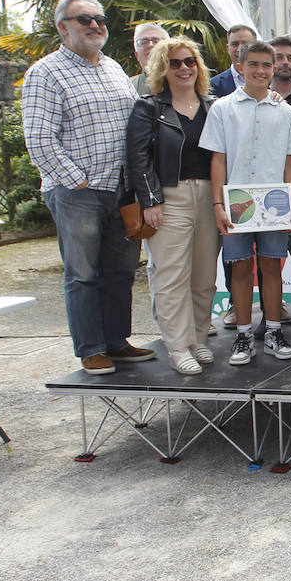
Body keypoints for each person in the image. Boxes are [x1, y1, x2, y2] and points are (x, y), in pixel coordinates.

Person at [22, 0, 153, 375]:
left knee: (121, 271)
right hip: (79, 192)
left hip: (122, 191)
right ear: (63, 27)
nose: (95, 25)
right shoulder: (45, 73)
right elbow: (39, 139)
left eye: (100, 19)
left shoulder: (113, 68)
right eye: (84, 19)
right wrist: (76, 181)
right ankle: (91, 348)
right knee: (82, 273)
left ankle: (116, 341)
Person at [202, 40, 291, 365]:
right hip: (237, 204)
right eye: (254, 64)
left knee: (272, 265)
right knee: (241, 268)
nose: (260, 71)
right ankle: (243, 335)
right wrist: (218, 204)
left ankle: (273, 330)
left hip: (275, 205)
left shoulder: (286, 112)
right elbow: (218, 160)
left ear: (274, 69)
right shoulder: (222, 108)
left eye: (266, 65)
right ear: (241, 67)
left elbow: (289, 163)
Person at [124, 36, 219, 374]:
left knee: (205, 276)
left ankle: (197, 338)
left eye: (189, 61)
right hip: (170, 197)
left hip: (211, 197)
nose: (183, 68)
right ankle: (178, 346)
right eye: (175, 62)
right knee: (171, 276)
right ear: (162, 68)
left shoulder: (213, 105)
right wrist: (151, 200)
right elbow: (137, 158)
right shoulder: (149, 108)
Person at [208, 24, 258, 98]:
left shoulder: (270, 81)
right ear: (227, 48)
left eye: (245, 44)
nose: (239, 49)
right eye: (235, 44)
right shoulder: (214, 85)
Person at [131, 22, 168, 96]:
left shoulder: (184, 79)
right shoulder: (128, 86)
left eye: (156, 40)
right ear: (137, 55)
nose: (150, 45)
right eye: (144, 42)